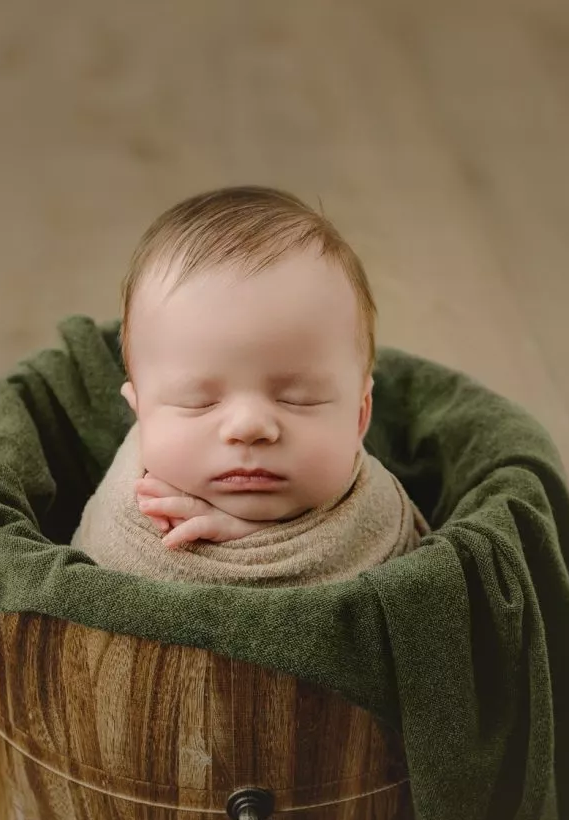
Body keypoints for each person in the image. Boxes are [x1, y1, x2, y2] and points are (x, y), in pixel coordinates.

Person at [73, 185, 426, 585]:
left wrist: (252, 540)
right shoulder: (125, 518)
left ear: (360, 416)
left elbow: (396, 591)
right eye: (199, 401)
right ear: (141, 412)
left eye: (299, 399)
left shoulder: (377, 509)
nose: (249, 427)